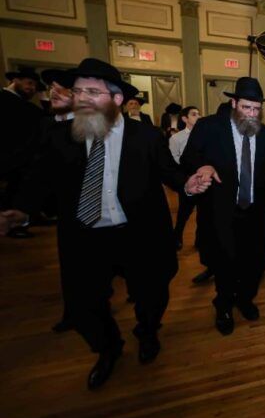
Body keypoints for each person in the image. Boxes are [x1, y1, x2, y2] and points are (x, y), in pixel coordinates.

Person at [0, 58, 212, 389]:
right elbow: (39, 179)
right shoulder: (60, 135)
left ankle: (147, 332)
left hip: (138, 234)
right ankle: (108, 347)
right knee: (84, 306)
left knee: (152, 295)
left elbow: (169, 171)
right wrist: (21, 209)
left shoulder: (145, 136)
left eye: (92, 92)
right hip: (85, 237)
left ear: (116, 99)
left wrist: (188, 184)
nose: (82, 98)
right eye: (78, 91)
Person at [181, 77, 265, 336]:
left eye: (256, 109)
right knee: (225, 262)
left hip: (256, 213)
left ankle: (245, 299)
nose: (251, 114)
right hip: (222, 211)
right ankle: (224, 306)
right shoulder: (209, 127)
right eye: (246, 107)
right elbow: (188, 157)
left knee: (256, 262)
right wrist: (202, 165)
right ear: (234, 103)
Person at [39, 68, 75, 333]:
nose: (54, 92)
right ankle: (73, 311)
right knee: (71, 262)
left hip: (102, 207)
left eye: (61, 88)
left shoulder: (95, 125)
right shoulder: (47, 126)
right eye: (52, 87)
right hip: (67, 210)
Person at [0, 67, 45, 237]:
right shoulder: (7, 101)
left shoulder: (26, 106)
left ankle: (20, 220)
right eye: (29, 83)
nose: (32, 88)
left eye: (35, 86)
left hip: (21, 158)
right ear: (15, 80)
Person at [169, 106, 201, 251]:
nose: (198, 116)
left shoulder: (204, 134)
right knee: (184, 211)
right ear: (184, 118)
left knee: (203, 212)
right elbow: (173, 158)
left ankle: (200, 239)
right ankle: (177, 236)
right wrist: (185, 175)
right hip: (187, 179)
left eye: (199, 114)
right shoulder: (176, 138)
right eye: (194, 114)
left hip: (203, 178)